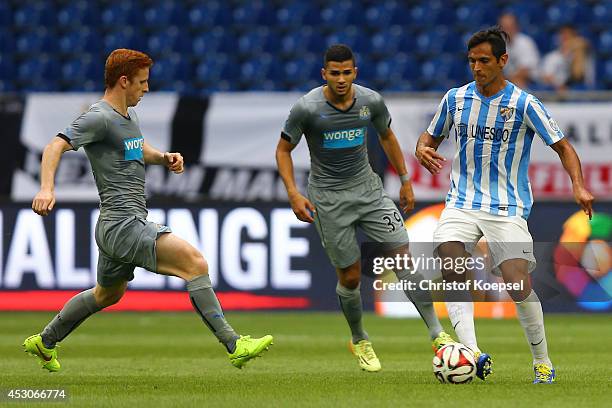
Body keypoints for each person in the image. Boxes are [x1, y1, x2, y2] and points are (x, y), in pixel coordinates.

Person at [23, 49, 273, 372]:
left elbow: (135, 147)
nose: (146, 88)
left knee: (106, 295)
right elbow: (55, 145)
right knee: (194, 263)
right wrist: (46, 188)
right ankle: (234, 344)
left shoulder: (127, 115)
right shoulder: (99, 117)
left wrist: (163, 157)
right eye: (142, 82)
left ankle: (45, 341)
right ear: (123, 81)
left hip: (116, 226)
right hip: (123, 224)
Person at [415, 27, 594, 383]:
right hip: (461, 201)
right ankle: (471, 352)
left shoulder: (524, 103)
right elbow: (430, 136)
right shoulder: (454, 99)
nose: (477, 68)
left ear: (503, 61)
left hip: (506, 206)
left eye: (484, 61)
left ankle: (542, 361)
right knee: (450, 260)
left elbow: (563, 146)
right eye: (472, 61)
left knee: (516, 281)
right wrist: (422, 148)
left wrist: (579, 185)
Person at [276, 44, 454, 373]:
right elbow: (283, 150)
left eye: (347, 73)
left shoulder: (370, 101)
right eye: (334, 73)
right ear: (324, 74)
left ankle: (437, 333)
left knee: (403, 258)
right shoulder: (307, 108)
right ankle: (359, 338)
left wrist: (404, 179)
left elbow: (387, 136)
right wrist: (293, 193)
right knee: (351, 276)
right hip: (329, 200)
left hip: (369, 191)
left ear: (355, 72)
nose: (341, 79)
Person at [540, 25, 595, 91]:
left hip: (580, 91)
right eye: (563, 36)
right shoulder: (552, 57)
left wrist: (576, 49)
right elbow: (546, 78)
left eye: (569, 36)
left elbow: (578, 75)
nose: (565, 39)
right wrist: (559, 86)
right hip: (556, 91)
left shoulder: (582, 54)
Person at [498, 12, 540, 89]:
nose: (507, 31)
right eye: (504, 28)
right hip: (507, 80)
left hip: (529, 80)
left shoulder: (525, 42)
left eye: (509, 27)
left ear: (516, 27)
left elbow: (525, 71)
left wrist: (506, 80)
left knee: (517, 83)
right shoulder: (498, 44)